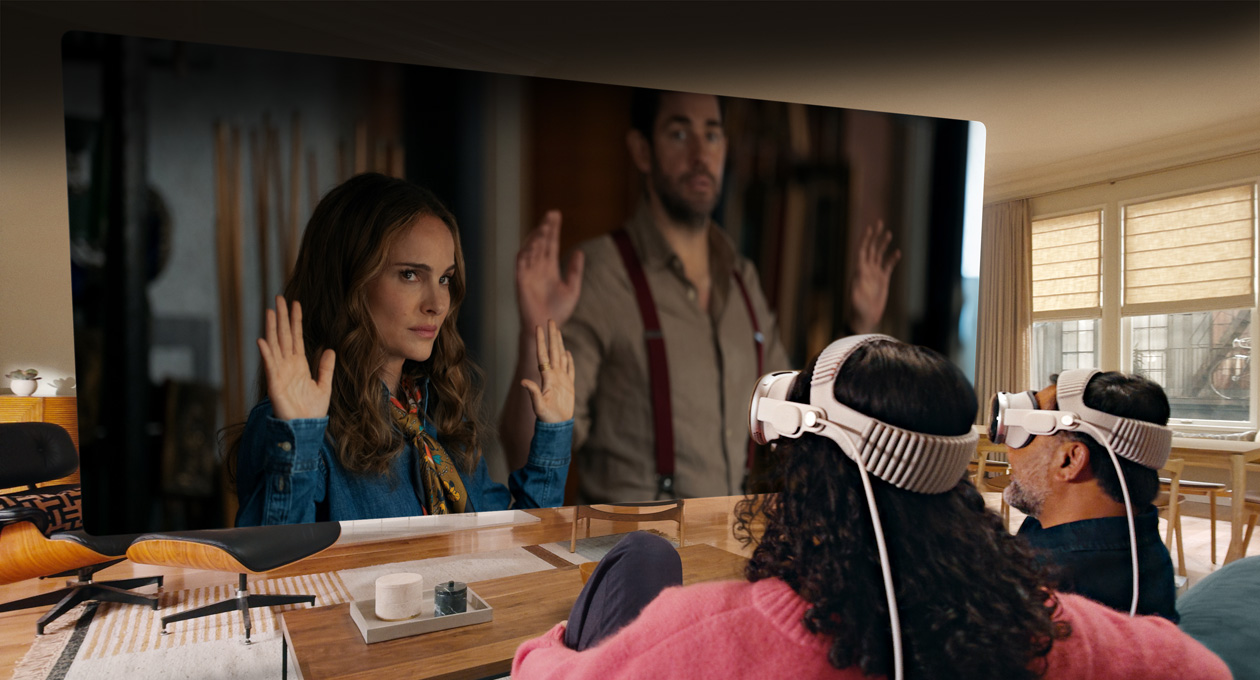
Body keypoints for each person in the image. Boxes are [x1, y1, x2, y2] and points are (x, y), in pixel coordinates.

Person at [511, 335, 1228, 680]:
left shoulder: (702, 636)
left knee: (640, 558)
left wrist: (542, 646)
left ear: (804, 461)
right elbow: (1201, 670)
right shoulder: (1045, 624)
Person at [500, 88, 900, 503]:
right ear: (641, 150)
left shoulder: (743, 277)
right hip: (632, 556)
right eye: (678, 134)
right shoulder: (598, 275)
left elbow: (797, 406)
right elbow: (525, 453)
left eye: (712, 135)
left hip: (733, 551)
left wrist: (858, 327)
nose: (700, 153)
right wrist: (534, 337)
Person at [232, 173, 575, 526]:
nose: (437, 304)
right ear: (350, 280)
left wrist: (553, 433)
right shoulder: (300, 428)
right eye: (410, 275)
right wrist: (299, 438)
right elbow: (272, 569)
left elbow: (512, 550)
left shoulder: (441, 419)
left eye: (444, 278)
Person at [997, 371, 1179, 620]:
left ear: (1070, 459)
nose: (1008, 449)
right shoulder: (1136, 540)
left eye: (1023, 435)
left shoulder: (1050, 587)